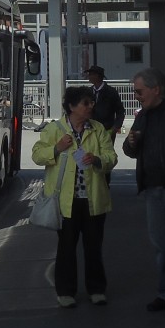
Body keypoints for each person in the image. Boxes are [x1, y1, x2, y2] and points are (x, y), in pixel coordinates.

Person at [31, 84, 117, 308]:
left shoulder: (97, 129)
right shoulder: (55, 130)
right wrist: (56, 149)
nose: (91, 106)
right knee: (66, 248)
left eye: (91, 102)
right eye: (85, 103)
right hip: (65, 202)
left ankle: (97, 289)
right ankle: (66, 291)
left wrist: (97, 160)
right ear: (71, 106)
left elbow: (111, 156)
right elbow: (37, 156)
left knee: (93, 247)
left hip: (93, 200)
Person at [122, 66, 165, 312]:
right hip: (152, 188)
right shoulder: (142, 115)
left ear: (156, 89)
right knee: (161, 244)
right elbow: (129, 150)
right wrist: (131, 143)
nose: (136, 96)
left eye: (139, 91)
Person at [85, 65, 126, 144]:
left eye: (91, 74)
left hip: (107, 129)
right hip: (91, 130)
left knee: (106, 153)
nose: (89, 76)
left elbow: (120, 111)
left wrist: (115, 128)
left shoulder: (111, 92)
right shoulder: (88, 92)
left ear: (98, 76)